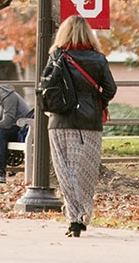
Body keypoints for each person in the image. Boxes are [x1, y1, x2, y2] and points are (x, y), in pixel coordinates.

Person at [45, 14, 117, 238]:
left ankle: (74, 219)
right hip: (90, 122)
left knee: (64, 170)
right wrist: (98, 103)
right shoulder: (98, 59)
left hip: (60, 120)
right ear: (89, 33)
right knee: (85, 171)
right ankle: (83, 212)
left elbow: (46, 86)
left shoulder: (57, 56)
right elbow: (110, 89)